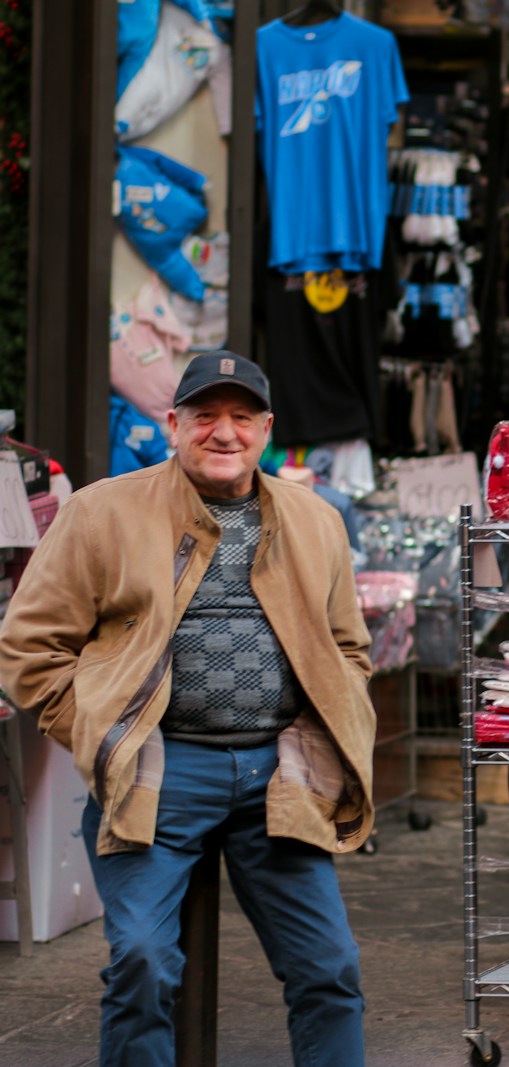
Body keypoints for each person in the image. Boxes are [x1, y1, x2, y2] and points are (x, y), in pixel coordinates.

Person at [0, 352, 376, 1067]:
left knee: (330, 969)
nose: (223, 432)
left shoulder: (315, 518)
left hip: (282, 770)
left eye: (241, 417)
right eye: (205, 415)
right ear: (172, 423)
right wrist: (99, 730)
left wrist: (329, 731)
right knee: (142, 964)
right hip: (158, 764)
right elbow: (27, 647)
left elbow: (348, 648)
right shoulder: (101, 510)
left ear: (267, 429)